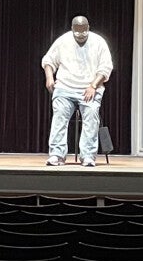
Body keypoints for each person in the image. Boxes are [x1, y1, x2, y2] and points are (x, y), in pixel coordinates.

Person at [41, 15, 113, 166]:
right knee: (60, 114)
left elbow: (106, 68)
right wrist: (49, 77)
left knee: (91, 114)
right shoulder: (63, 41)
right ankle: (57, 154)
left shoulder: (99, 42)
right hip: (65, 87)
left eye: (83, 31)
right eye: (77, 32)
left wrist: (93, 86)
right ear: (72, 29)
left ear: (88, 28)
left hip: (89, 88)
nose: (81, 35)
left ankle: (88, 155)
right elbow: (48, 60)